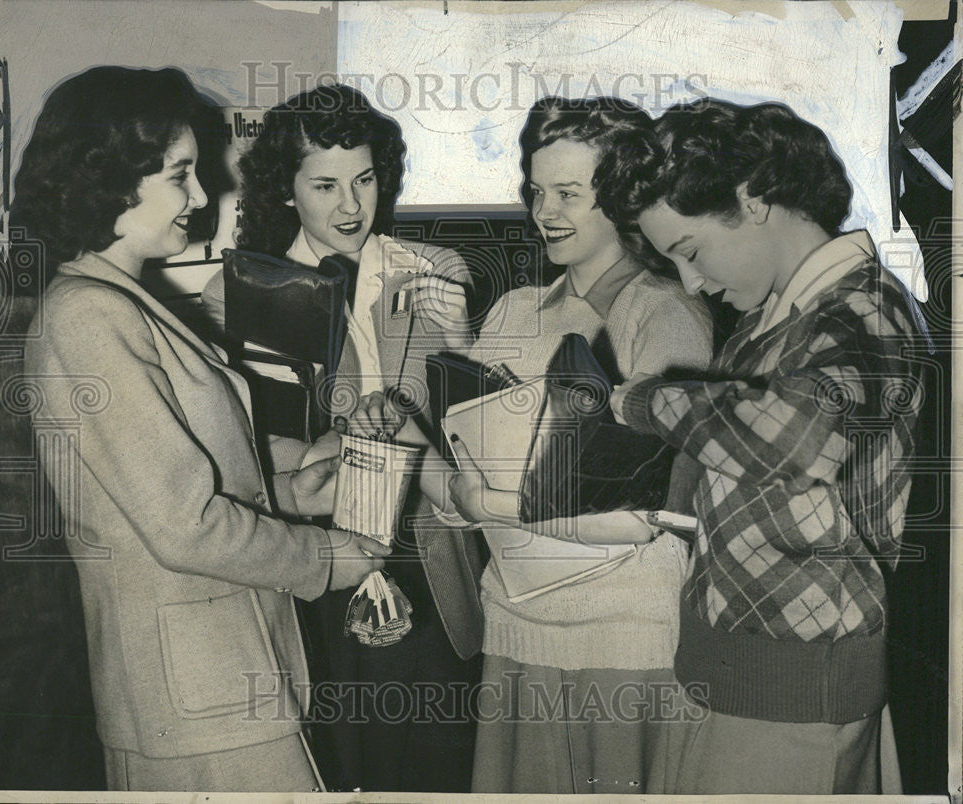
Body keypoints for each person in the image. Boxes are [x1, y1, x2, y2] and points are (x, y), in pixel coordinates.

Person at [14, 66, 389, 793]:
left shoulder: (117, 300)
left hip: (217, 681)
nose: (199, 195)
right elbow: (182, 525)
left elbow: (187, 472)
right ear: (113, 178)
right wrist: (326, 559)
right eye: (180, 174)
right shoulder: (89, 315)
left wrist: (291, 488)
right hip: (191, 696)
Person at [355, 96, 714, 794]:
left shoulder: (665, 314)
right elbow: (466, 484)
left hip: (622, 638)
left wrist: (475, 493)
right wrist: (405, 431)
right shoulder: (519, 309)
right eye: (537, 191)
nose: (545, 210)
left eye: (570, 195)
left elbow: (643, 512)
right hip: (516, 628)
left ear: (622, 199)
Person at [609, 98, 922, 794]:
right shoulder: (773, 320)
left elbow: (800, 435)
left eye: (689, 252)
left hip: (799, 699)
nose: (691, 282)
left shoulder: (864, 308)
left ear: (752, 199)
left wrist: (639, 400)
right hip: (734, 677)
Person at [202, 84, 485, 793]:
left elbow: (481, 437)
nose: (352, 206)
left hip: (426, 558)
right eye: (325, 185)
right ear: (287, 191)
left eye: (364, 179)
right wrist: (337, 453)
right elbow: (236, 451)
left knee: (432, 767)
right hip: (308, 562)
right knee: (332, 762)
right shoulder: (235, 295)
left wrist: (460, 343)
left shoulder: (438, 275)